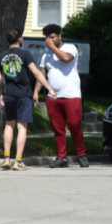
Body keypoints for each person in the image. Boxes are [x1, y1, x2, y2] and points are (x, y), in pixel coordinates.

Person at [0, 28, 57, 171]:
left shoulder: (1, 56)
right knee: (22, 127)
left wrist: (1, 93)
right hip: (24, 95)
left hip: (9, 94)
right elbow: (36, 72)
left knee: (9, 125)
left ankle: (6, 158)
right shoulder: (25, 54)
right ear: (20, 39)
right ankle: (17, 161)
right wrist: (49, 88)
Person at [35, 24, 89, 168]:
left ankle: (81, 155)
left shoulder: (70, 48)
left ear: (59, 36)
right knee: (58, 129)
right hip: (54, 97)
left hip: (71, 95)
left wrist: (52, 47)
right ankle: (61, 158)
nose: (50, 40)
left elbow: (66, 59)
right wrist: (36, 91)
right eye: (48, 38)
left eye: (52, 37)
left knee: (74, 125)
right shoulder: (46, 55)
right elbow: (41, 74)